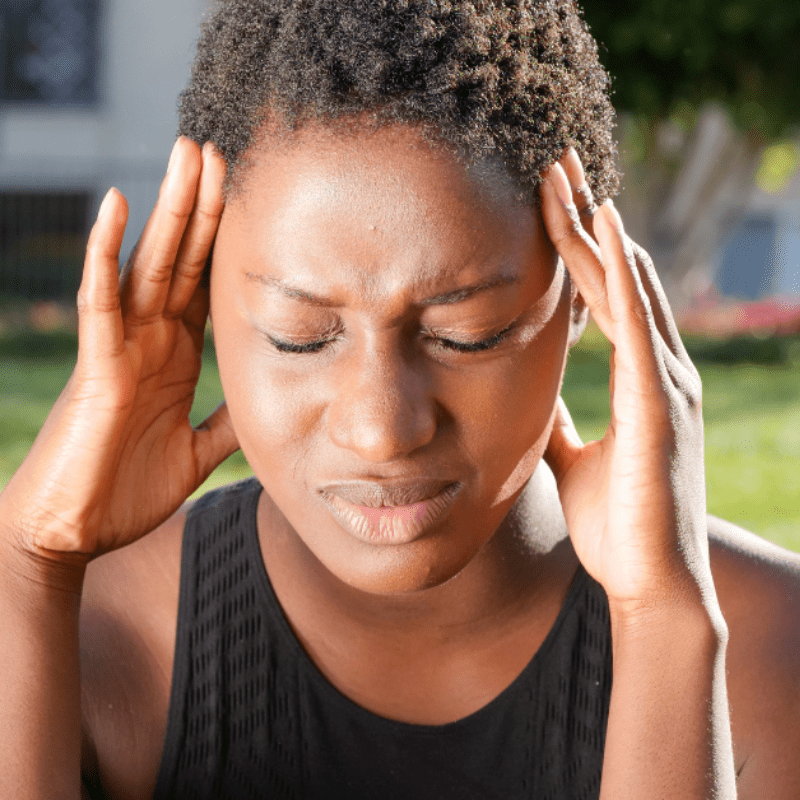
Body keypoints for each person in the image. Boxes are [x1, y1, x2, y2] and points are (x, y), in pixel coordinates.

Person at [1, 1, 799, 798]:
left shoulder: (776, 649)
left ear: (587, 293)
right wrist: (27, 563)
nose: (383, 430)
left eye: (467, 334)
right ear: (197, 302)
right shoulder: (89, 633)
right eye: (300, 336)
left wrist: (665, 622)